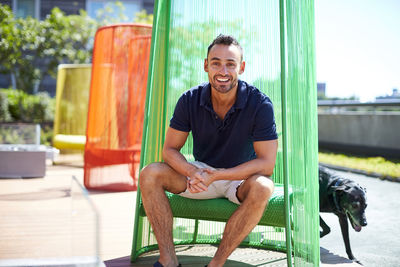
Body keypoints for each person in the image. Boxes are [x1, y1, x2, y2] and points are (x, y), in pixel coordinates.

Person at [139, 34, 279, 267]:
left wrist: (220, 175)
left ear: (241, 68)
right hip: (201, 175)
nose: (223, 70)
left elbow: (267, 164)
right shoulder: (189, 99)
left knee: (264, 186)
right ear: (206, 65)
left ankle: (215, 264)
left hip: (240, 179)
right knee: (149, 173)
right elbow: (170, 149)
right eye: (216, 63)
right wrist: (191, 171)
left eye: (230, 64)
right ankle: (168, 261)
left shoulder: (260, 104)